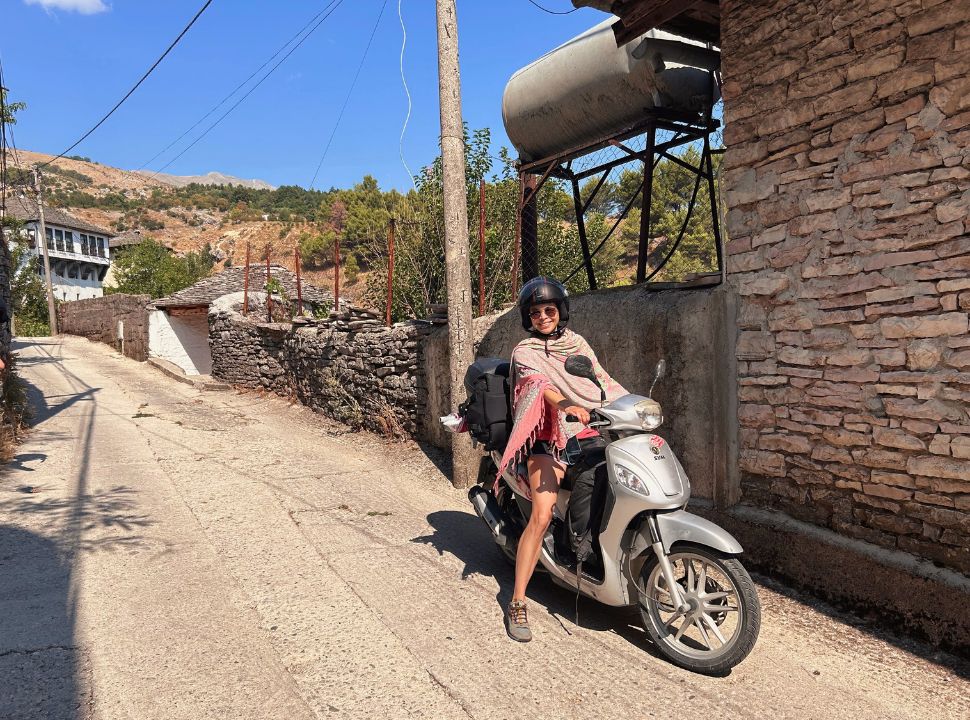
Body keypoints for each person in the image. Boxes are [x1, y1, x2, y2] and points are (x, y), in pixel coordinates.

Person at [496, 276, 627, 642]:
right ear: (528, 317)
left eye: (549, 310)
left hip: (584, 435)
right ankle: (518, 600)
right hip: (545, 440)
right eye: (535, 312)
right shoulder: (525, 352)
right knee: (540, 515)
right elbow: (539, 386)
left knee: (615, 481)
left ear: (561, 311)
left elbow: (601, 380)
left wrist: (633, 406)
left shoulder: (577, 344)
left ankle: (588, 550)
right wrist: (567, 405)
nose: (543, 317)